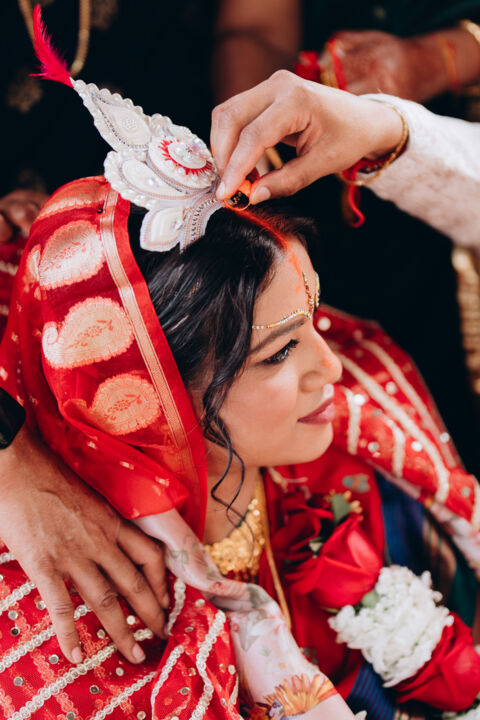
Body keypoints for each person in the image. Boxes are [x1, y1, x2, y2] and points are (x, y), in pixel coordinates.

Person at [1, 21, 480, 718]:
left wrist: (386, 128)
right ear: (149, 402)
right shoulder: (94, 642)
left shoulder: (371, 430)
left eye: (313, 320)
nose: (335, 368)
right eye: (281, 350)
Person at [212, 0, 480, 479]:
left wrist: (438, 60)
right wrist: (249, 130)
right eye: (279, 351)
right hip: (302, 172)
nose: (334, 368)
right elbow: (256, 25)